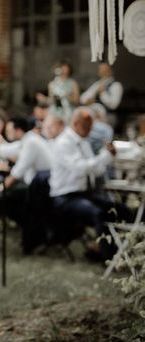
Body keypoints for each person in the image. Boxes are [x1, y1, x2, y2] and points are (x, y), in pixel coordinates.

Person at [49, 107, 120, 261]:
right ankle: (109, 258)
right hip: (65, 197)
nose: (89, 131)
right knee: (98, 213)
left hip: (83, 194)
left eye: (90, 128)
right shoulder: (63, 143)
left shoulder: (83, 143)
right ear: (75, 123)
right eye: (87, 127)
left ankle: (107, 249)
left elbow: (95, 170)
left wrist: (106, 156)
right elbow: (80, 168)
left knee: (116, 209)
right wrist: (105, 156)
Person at [80, 62, 123, 126]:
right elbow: (83, 98)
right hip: (94, 116)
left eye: (105, 70)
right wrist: (88, 100)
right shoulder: (97, 84)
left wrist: (103, 93)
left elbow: (114, 105)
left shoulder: (116, 85)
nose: (102, 72)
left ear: (110, 71)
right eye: (101, 70)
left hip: (108, 117)